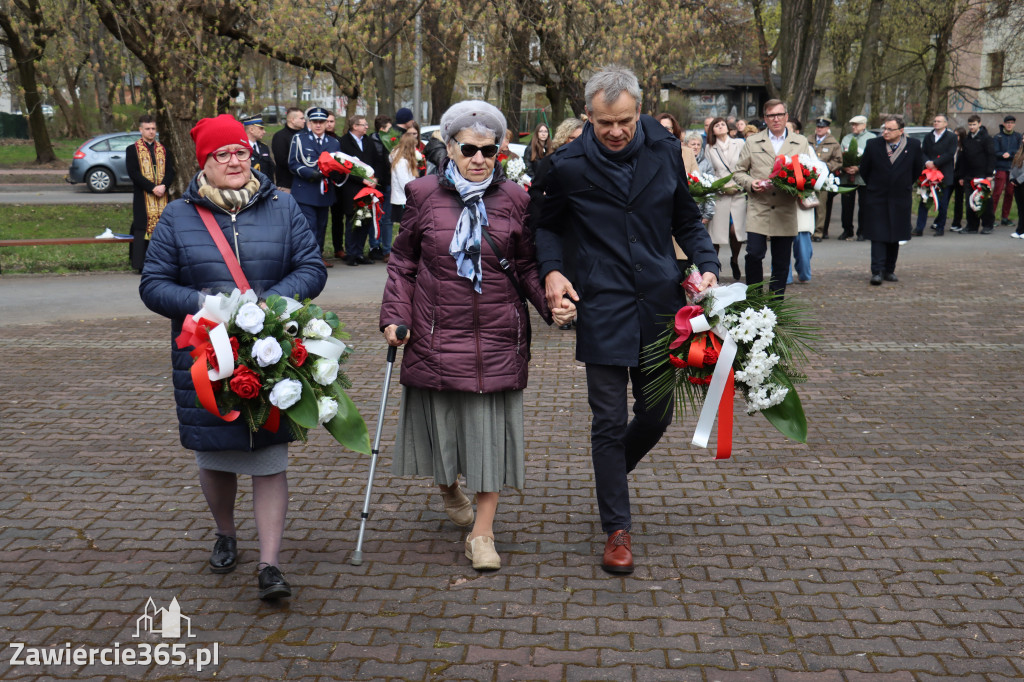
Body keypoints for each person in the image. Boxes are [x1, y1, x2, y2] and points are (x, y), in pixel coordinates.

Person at [534, 66, 719, 575]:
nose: (615, 131)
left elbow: (685, 218)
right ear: (587, 117)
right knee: (609, 421)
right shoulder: (566, 165)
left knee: (656, 415)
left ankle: (609, 474)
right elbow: (545, 228)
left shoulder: (663, 152)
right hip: (603, 306)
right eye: (604, 123)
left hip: (660, 304)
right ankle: (617, 527)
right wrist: (551, 271)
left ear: (639, 111)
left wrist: (707, 264)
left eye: (624, 120)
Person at [139, 114, 327, 600]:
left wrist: (271, 302)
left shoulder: (283, 207)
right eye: (222, 154)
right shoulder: (179, 216)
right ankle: (226, 531)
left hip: (270, 352)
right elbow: (154, 285)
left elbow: (311, 267)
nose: (234, 161)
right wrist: (207, 305)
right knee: (216, 454)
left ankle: (270, 564)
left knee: (269, 457)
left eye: (240, 151)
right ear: (205, 162)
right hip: (204, 356)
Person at [380, 100, 571, 571]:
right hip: (436, 334)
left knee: (489, 440)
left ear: (500, 151)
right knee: (443, 435)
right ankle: (448, 488)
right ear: (449, 148)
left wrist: (550, 302)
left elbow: (526, 264)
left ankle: (482, 534)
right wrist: (393, 315)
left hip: (498, 338)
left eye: (489, 151)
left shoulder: (516, 199)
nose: (479, 158)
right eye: (468, 148)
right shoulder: (422, 194)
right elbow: (403, 263)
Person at [733, 99, 810, 297]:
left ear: (786, 117)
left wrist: (800, 185)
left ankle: (776, 303)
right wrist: (751, 183)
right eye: (770, 115)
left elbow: (807, 171)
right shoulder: (753, 141)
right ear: (764, 118)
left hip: (785, 208)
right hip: (760, 206)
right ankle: (754, 299)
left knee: (782, 259)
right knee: (754, 254)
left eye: (779, 115)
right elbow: (739, 172)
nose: (775, 119)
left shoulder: (800, 141)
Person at [859, 115, 924, 285]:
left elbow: (917, 168)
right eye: (884, 128)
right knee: (878, 234)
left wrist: (902, 184)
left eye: (890, 129)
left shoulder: (913, 146)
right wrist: (876, 185)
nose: (885, 132)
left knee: (895, 234)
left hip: (900, 196)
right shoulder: (873, 145)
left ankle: (890, 269)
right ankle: (877, 271)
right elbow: (865, 169)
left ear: (901, 131)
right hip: (877, 196)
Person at [288, 107, 344, 268]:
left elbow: (338, 165)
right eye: (315, 122)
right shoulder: (299, 139)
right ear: (309, 123)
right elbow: (293, 163)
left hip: (324, 191)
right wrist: (310, 173)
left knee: (321, 226)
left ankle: (317, 255)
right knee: (309, 225)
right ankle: (309, 258)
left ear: (327, 123)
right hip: (306, 190)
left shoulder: (334, 142)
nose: (318, 125)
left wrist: (336, 174)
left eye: (321, 122)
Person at [126, 114, 175, 273]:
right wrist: (152, 188)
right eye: (147, 129)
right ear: (141, 130)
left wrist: (163, 186)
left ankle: (162, 263)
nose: (151, 132)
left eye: (153, 129)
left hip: (162, 196)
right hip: (143, 196)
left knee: (163, 228)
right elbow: (134, 173)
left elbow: (170, 172)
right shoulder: (132, 150)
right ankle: (140, 264)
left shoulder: (164, 150)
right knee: (142, 226)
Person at [338, 114, 384, 265]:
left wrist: (375, 178)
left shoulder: (368, 141)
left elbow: (377, 160)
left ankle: (359, 253)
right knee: (353, 221)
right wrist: (361, 179)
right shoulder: (343, 142)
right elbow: (344, 166)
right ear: (354, 126)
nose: (366, 127)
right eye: (363, 124)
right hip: (352, 188)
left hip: (369, 188)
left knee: (365, 220)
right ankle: (351, 254)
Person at [705, 116, 747, 280]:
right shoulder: (710, 148)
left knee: (736, 231)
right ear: (712, 130)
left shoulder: (740, 143)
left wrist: (741, 184)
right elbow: (709, 172)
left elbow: (745, 165)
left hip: (738, 191)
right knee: (716, 234)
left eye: (723, 124)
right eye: (717, 125)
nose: (721, 126)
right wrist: (720, 186)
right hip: (720, 193)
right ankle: (713, 267)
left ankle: (735, 259)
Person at [913, 113, 957, 237]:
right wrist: (927, 162)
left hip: (943, 174)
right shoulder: (928, 136)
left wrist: (936, 163)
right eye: (935, 121)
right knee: (924, 201)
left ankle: (940, 227)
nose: (936, 123)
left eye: (939, 121)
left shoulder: (951, 137)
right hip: (928, 173)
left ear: (945, 123)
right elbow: (923, 152)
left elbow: (950, 153)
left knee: (942, 203)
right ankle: (919, 228)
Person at [952, 114, 996, 235]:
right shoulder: (966, 140)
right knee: (970, 201)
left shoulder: (986, 139)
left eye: (974, 124)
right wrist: (961, 176)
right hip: (968, 176)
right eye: (970, 125)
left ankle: (988, 225)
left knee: (984, 200)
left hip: (982, 175)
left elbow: (991, 156)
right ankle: (972, 226)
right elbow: (963, 159)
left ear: (979, 124)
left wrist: (989, 173)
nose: (971, 127)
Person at [839, 115, 876, 241]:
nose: (854, 127)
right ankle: (847, 230)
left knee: (864, 205)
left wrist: (859, 167)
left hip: (864, 178)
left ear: (864, 125)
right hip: (847, 177)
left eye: (857, 124)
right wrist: (845, 168)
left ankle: (863, 231)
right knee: (846, 206)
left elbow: (873, 158)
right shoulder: (846, 138)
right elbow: (840, 156)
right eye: (852, 124)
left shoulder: (871, 138)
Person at [368, 114, 395, 262]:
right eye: (389, 129)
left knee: (388, 219)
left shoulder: (392, 142)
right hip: (376, 183)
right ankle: (374, 246)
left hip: (389, 182)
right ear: (381, 129)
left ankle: (387, 249)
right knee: (375, 216)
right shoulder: (371, 142)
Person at [811, 118, 843, 242]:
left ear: (827, 128)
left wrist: (826, 167)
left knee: (820, 205)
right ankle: (807, 230)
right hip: (808, 176)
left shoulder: (833, 143)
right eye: (818, 126)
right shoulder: (808, 140)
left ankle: (819, 232)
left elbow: (838, 161)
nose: (819, 129)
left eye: (822, 127)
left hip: (823, 178)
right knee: (806, 204)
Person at [389, 123, 421, 227]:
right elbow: (404, 182)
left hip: (404, 198)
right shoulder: (401, 162)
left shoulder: (403, 159)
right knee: (406, 227)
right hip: (403, 199)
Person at [992, 115, 1021, 226]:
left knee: (1010, 193)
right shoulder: (998, 137)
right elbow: (995, 151)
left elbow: (1019, 150)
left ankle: (1005, 217)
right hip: (1001, 167)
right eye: (1007, 122)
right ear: (1004, 124)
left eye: (1011, 123)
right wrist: (1002, 154)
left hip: (1013, 168)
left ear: (1014, 124)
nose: (1009, 124)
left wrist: (1009, 154)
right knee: (997, 192)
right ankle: (991, 217)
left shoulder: (1017, 136)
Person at [271, 107, 305, 192]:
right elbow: (282, 160)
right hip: (287, 185)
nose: (304, 121)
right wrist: (304, 167)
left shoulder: (304, 135)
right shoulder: (280, 137)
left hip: (303, 184)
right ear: (292, 120)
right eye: (301, 118)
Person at [242, 115, 274, 182]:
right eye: (261, 128)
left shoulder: (264, 147)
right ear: (251, 130)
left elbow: (270, 170)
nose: (264, 132)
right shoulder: (241, 148)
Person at [951, 126, 968, 230]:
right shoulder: (952, 146)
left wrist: (962, 177)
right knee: (945, 198)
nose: (955, 137)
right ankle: (938, 221)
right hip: (950, 175)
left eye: (957, 135)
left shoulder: (964, 148)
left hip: (959, 177)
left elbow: (964, 164)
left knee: (959, 200)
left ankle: (957, 223)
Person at [1009, 144, 1024, 238]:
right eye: (1023, 138)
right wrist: (1012, 178)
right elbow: (1013, 167)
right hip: (1017, 184)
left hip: (1021, 182)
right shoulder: (1019, 153)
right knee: (1020, 208)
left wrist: (1018, 180)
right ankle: (1020, 230)